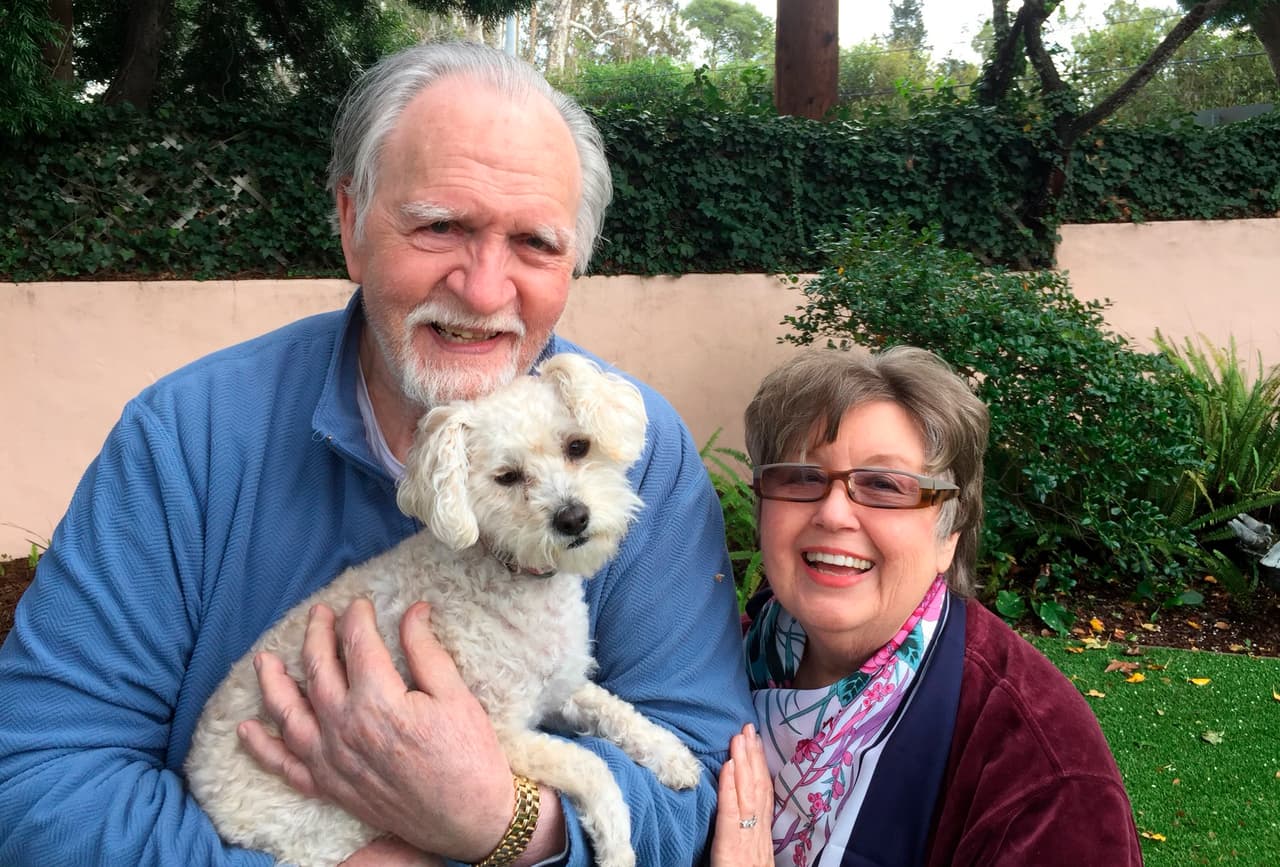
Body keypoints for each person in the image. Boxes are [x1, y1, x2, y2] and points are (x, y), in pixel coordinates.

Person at [0, 41, 754, 867]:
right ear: (351, 223)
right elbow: (39, 783)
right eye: (440, 226)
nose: (482, 286)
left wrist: (506, 822)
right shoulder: (184, 439)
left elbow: (705, 777)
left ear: (574, 261)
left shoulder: (640, 453)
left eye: (535, 243)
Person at [708, 346, 1144, 867]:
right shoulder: (708, 662)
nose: (833, 512)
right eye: (801, 477)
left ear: (949, 534)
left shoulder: (1041, 766)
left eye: (885, 485)